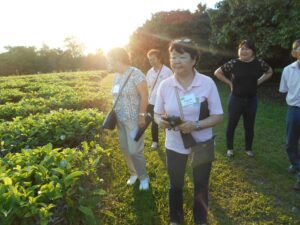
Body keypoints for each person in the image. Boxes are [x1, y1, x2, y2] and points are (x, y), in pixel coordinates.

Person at [154, 38, 223, 225]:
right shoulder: (165, 85)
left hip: (202, 143)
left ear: (194, 59)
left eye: (181, 56)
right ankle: (175, 219)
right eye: (173, 56)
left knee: (201, 184)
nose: (175, 61)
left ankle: (200, 219)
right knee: (175, 184)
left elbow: (218, 115)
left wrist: (196, 125)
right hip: (175, 143)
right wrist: (161, 121)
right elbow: (157, 113)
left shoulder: (207, 83)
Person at [214, 39, 273, 157]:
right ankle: (230, 148)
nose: (243, 51)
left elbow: (269, 72)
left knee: (249, 125)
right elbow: (217, 72)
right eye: (241, 48)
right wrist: (230, 84)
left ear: (253, 51)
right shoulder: (234, 63)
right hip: (236, 99)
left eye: (247, 48)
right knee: (232, 124)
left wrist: (258, 82)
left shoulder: (259, 63)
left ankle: (248, 149)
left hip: (252, 100)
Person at [107, 48, 150, 190]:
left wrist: (142, 116)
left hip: (134, 119)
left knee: (134, 151)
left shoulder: (136, 74)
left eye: (110, 60)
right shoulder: (116, 76)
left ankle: (144, 177)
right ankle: (133, 174)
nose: (109, 63)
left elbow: (145, 96)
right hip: (120, 120)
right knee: (125, 148)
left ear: (118, 59)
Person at [279, 39, 300, 191]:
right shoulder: (287, 70)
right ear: (294, 53)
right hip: (293, 110)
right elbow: (284, 89)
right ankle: (296, 163)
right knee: (290, 142)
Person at [146, 49, 173, 149]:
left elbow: (172, 87)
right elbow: (147, 86)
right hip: (152, 102)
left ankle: (169, 141)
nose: (151, 61)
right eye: (150, 59)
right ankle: (155, 141)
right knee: (154, 122)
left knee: (167, 121)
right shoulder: (149, 72)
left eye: (153, 59)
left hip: (165, 102)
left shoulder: (168, 71)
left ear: (159, 59)